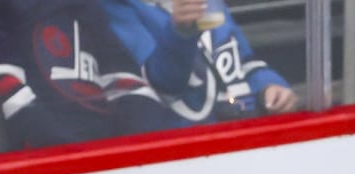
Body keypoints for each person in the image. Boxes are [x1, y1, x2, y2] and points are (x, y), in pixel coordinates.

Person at [0, 0, 184, 149]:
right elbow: (5, 83)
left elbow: (123, 79)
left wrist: (141, 142)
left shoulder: (86, 7)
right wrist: (61, 148)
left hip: (107, 158)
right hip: (45, 170)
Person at [100, 0, 298, 123]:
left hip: (248, 132)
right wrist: (181, 34)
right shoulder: (116, 8)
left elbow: (243, 60)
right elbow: (162, 82)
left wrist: (269, 85)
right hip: (191, 153)